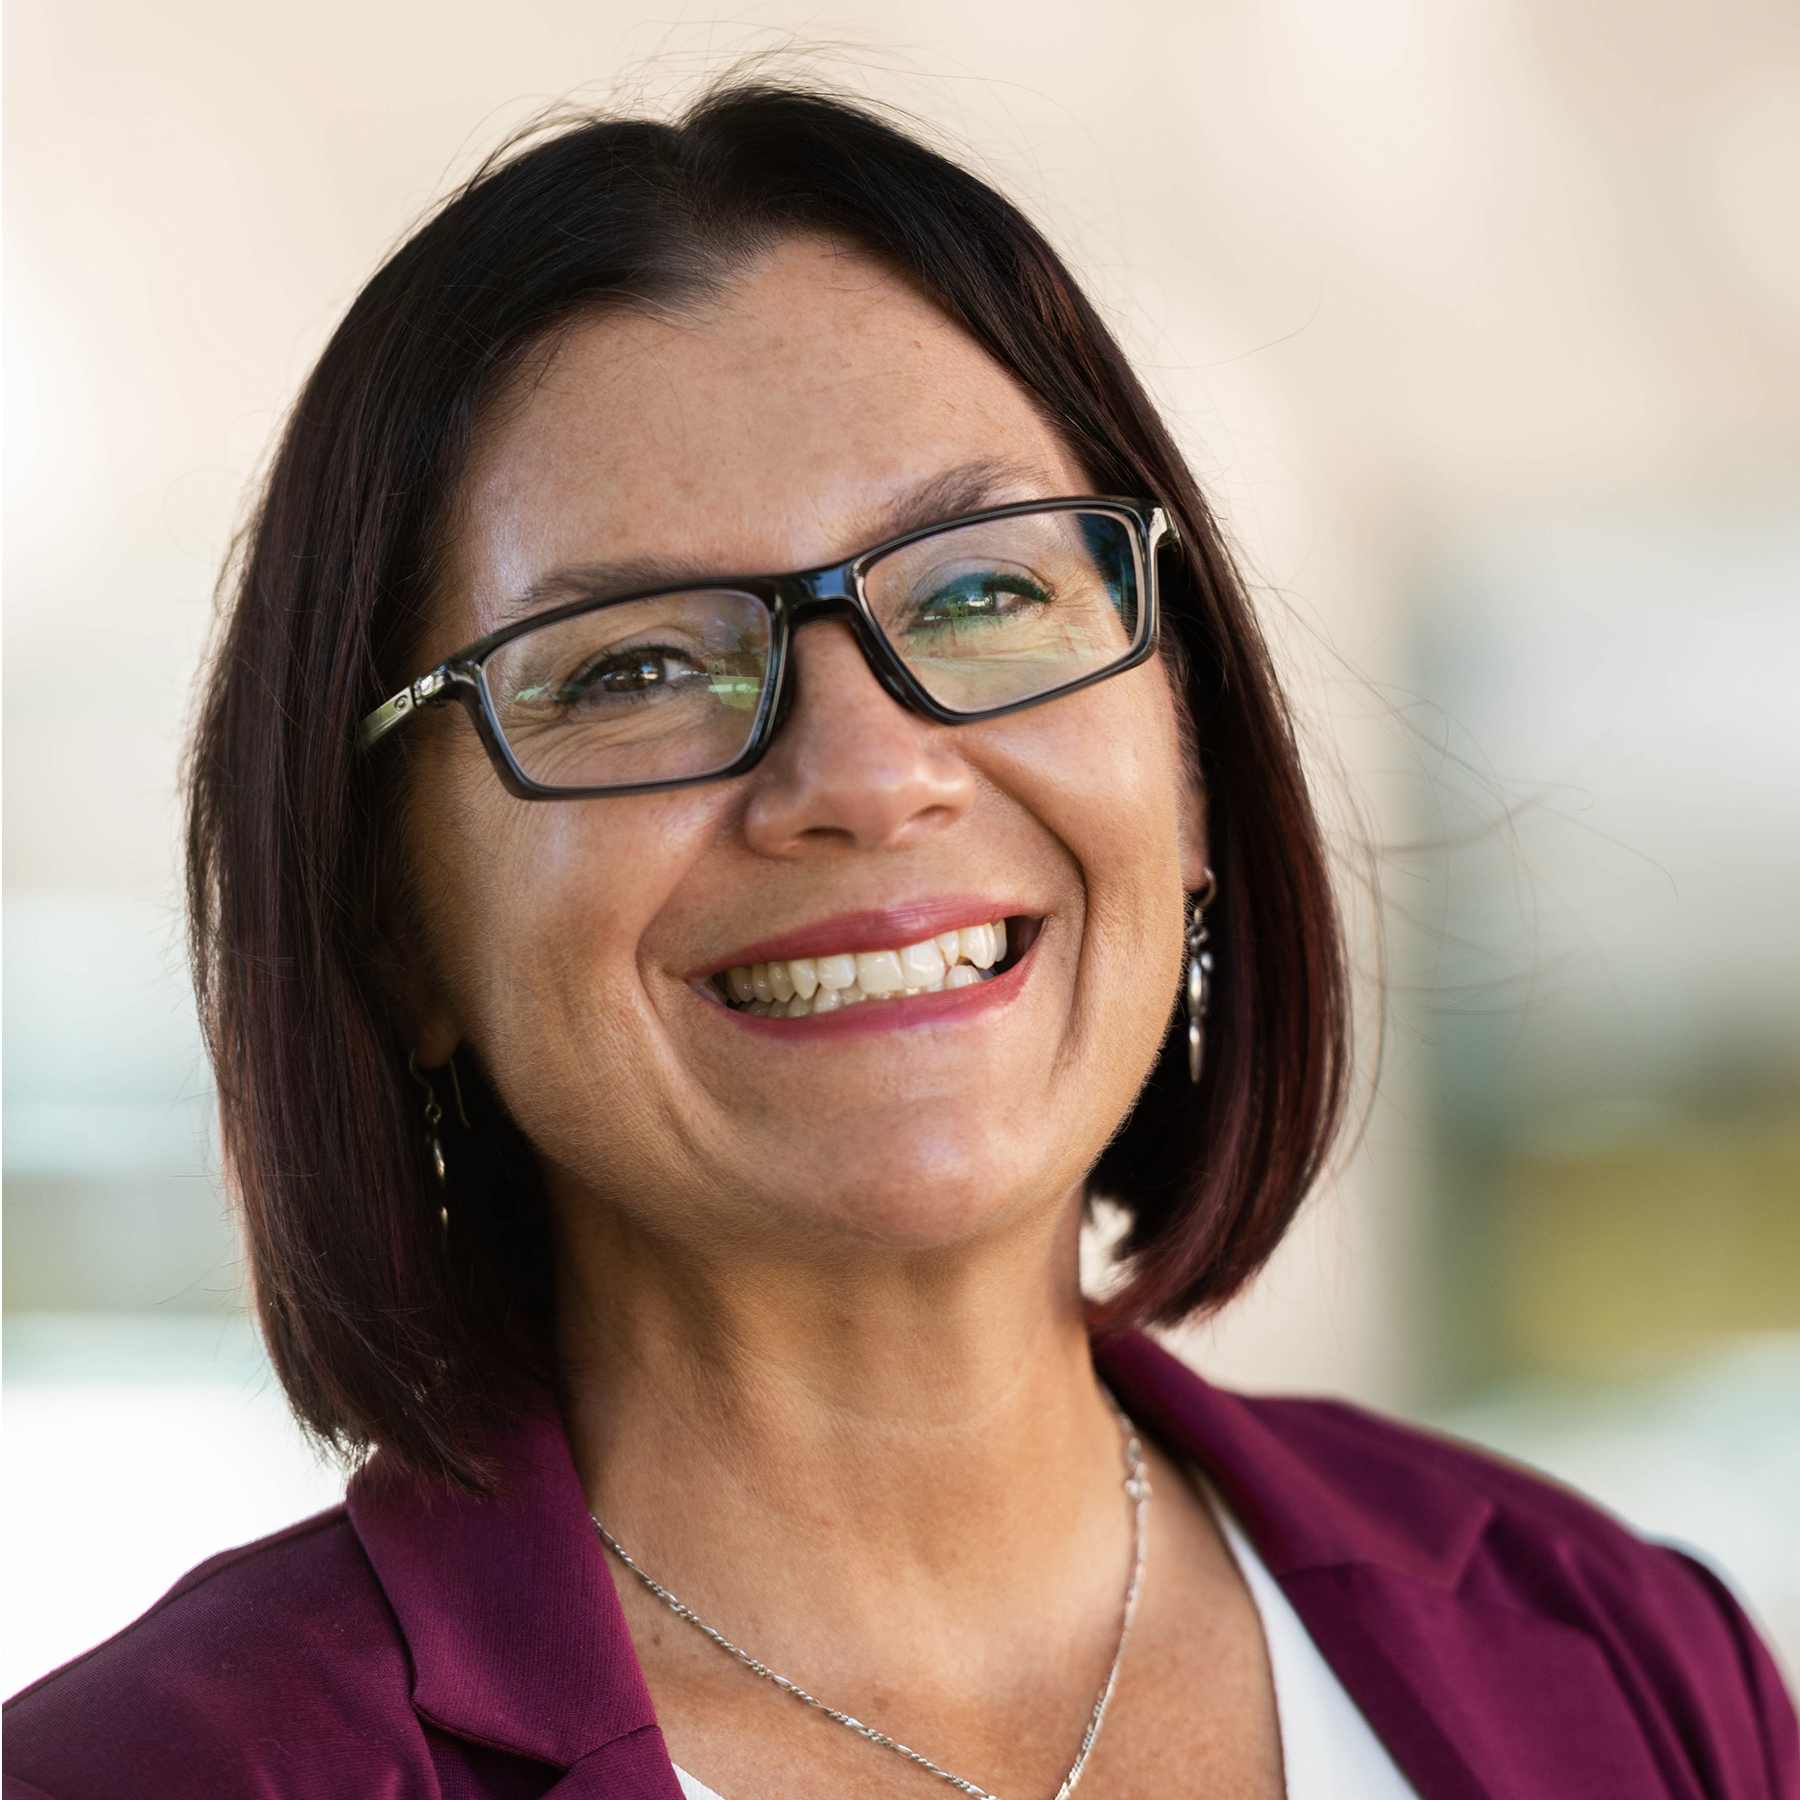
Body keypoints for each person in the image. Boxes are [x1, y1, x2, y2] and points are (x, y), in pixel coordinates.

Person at [5, 82, 1793, 1800]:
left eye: (981, 589)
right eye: (633, 664)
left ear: (1183, 753)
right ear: (391, 931)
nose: (866, 775)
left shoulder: (1624, 1656)